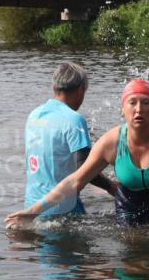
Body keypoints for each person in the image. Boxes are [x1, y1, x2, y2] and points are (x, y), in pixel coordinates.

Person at [6, 78, 149, 228]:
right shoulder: (110, 142)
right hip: (130, 202)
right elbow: (74, 181)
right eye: (132, 103)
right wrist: (33, 211)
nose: (139, 109)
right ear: (123, 110)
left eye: (146, 102)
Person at [18, 63, 117, 219]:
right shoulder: (74, 119)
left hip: (31, 207)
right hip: (63, 209)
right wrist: (111, 187)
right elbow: (84, 168)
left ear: (54, 88)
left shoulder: (34, 115)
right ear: (81, 90)